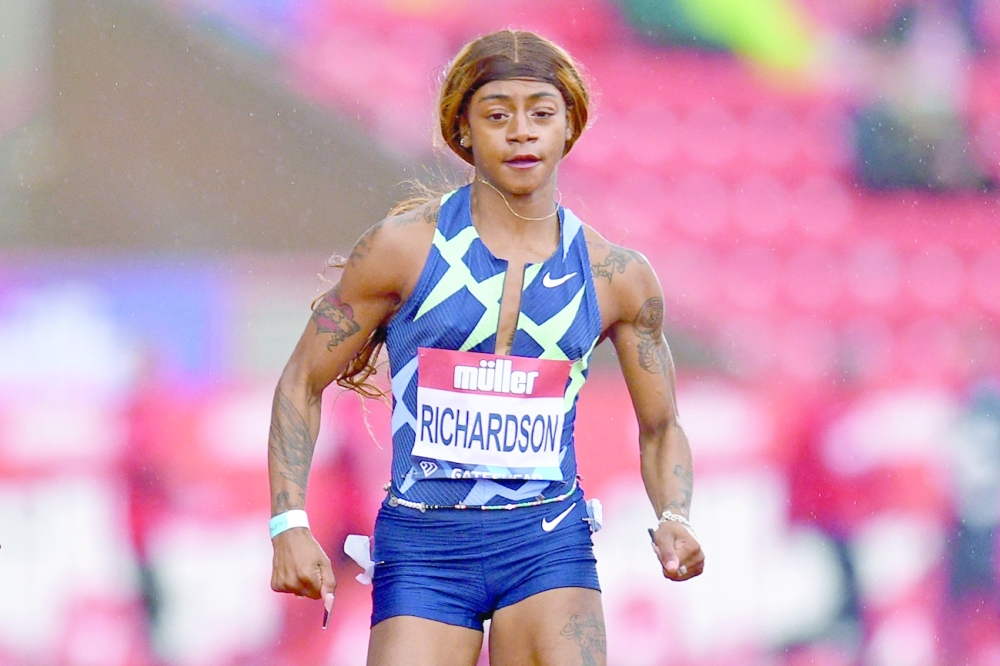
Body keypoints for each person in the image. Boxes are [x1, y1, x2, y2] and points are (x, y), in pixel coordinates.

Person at [267, 29, 704, 666]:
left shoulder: (616, 278)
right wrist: (288, 521)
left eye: (542, 114)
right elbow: (301, 380)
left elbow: (662, 425)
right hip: (423, 545)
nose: (522, 132)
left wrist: (676, 514)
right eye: (498, 115)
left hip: (546, 540)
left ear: (568, 128)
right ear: (464, 130)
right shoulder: (403, 249)